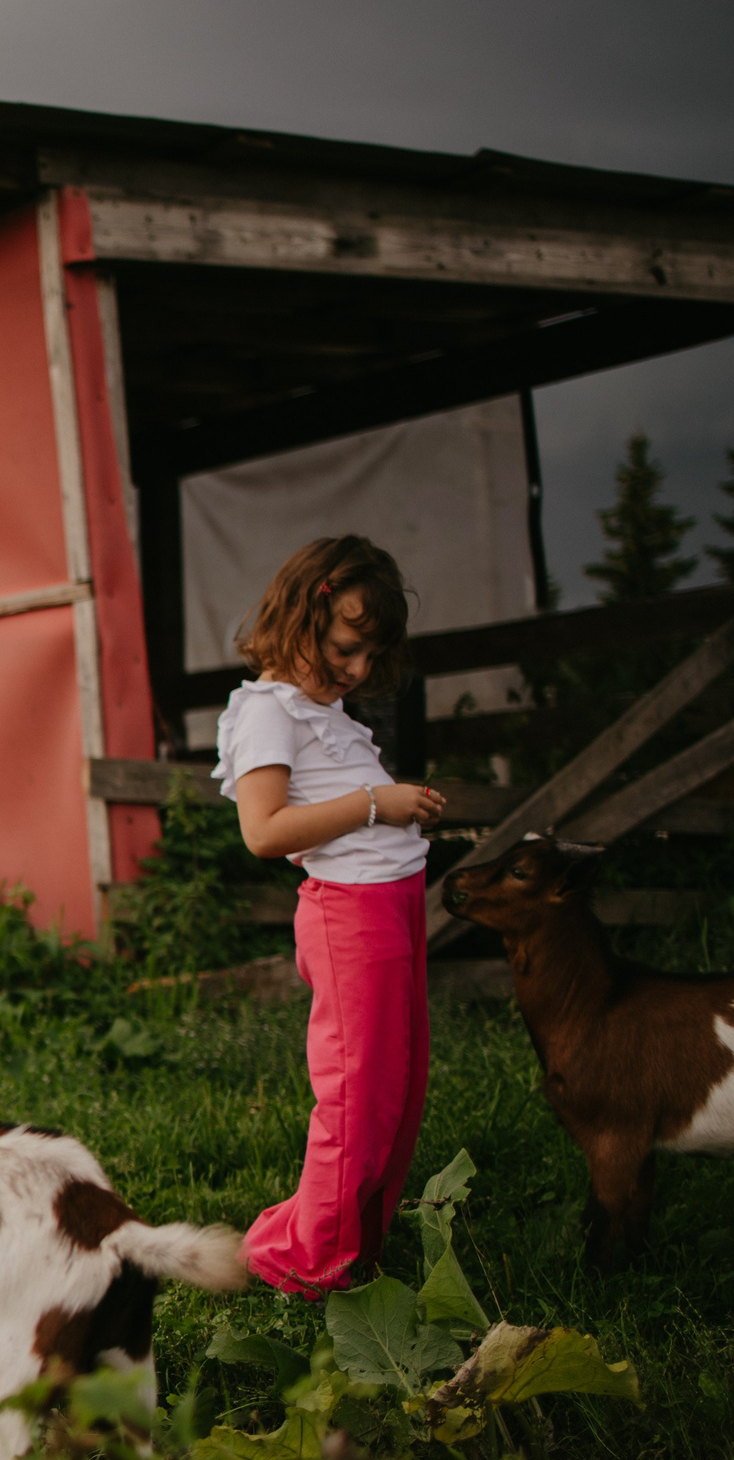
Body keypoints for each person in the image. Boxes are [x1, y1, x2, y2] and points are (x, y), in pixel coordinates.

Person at [213, 537, 447, 1297]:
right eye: (348, 649)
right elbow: (264, 830)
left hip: (394, 909)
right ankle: (305, 1261)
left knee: (398, 1086)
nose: (356, 670)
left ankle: (357, 1244)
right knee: (357, 1093)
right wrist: (379, 802)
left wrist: (401, 818)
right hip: (350, 919)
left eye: (369, 656)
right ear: (302, 612)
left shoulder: (325, 711)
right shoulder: (266, 712)